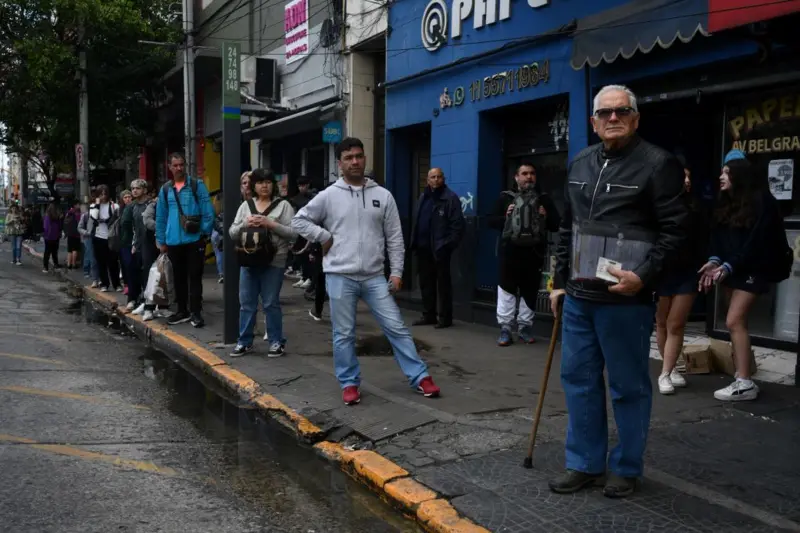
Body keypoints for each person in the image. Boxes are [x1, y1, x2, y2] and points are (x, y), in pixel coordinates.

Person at [549, 85, 687, 498]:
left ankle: (626, 467)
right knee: (578, 380)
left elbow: (677, 231)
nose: (613, 118)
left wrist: (643, 276)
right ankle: (585, 464)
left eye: (622, 111)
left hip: (625, 300)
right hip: (578, 298)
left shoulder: (658, 164)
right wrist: (556, 284)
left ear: (636, 118)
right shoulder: (580, 162)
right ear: (593, 122)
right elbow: (565, 229)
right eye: (605, 113)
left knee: (628, 386)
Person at [292, 137, 441, 405]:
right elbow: (298, 220)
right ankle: (349, 383)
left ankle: (420, 376)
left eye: (359, 156)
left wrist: (396, 273)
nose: (355, 162)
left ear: (365, 158)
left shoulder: (382, 196)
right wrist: (323, 235)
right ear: (340, 163)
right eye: (348, 158)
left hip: (374, 276)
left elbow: (395, 237)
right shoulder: (328, 196)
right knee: (343, 334)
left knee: (396, 327)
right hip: (340, 275)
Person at [699, 151, 791, 402]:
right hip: (733, 269)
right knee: (738, 324)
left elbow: (756, 243)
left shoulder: (763, 202)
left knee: (733, 321)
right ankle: (743, 374)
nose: (721, 176)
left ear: (739, 175)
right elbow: (717, 238)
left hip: (753, 268)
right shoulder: (725, 202)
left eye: (726, 172)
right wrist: (714, 261)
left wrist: (728, 265)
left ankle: (744, 381)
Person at [488, 162, 560, 345]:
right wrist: (506, 216)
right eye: (525, 173)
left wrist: (546, 215)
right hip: (510, 252)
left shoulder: (543, 198)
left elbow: (556, 224)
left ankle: (525, 328)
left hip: (534, 253)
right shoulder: (505, 198)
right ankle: (505, 329)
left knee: (530, 291)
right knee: (506, 290)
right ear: (516, 177)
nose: (529, 177)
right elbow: (490, 221)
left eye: (532, 173)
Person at [228, 168, 297, 357]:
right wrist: (246, 223)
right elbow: (232, 232)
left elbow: (293, 234)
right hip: (248, 260)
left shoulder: (284, 206)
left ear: (273, 184)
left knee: (270, 302)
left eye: (267, 182)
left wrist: (270, 224)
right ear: (254, 186)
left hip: (274, 260)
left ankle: (276, 341)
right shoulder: (245, 206)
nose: (264, 186)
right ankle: (244, 341)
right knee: (247, 303)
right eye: (260, 182)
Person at [655, 158, 707, 395]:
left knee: (676, 323)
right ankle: (671, 367)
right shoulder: (659, 207)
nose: (686, 181)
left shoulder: (696, 208)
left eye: (689, 177)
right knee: (662, 322)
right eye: (682, 177)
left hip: (689, 271)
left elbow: (703, 242)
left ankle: (665, 373)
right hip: (663, 271)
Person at [155, 152, 215, 328]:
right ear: (170, 167)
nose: (179, 168)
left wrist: (203, 233)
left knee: (195, 277)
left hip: (194, 240)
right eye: (175, 165)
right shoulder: (165, 189)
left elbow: (208, 211)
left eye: (182, 164)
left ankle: (196, 313)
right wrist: (161, 240)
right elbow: (161, 216)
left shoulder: (197, 186)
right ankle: (182, 310)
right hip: (173, 241)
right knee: (179, 278)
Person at [410, 168, 465, 329]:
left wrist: (447, 246)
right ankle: (429, 315)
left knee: (443, 286)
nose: (436, 180)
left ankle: (445, 318)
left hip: (440, 249)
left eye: (439, 177)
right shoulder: (423, 197)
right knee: (426, 284)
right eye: (433, 177)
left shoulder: (450, 198)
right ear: (427, 180)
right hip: (423, 248)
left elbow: (458, 226)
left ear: (443, 179)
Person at [88, 185, 122, 292]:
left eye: (105, 194)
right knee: (101, 262)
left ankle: (116, 284)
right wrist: (97, 204)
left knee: (113, 262)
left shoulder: (114, 206)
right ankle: (104, 284)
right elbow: (93, 217)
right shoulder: (94, 206)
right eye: (101, 194)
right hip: (99, 237)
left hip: (111, 237)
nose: (103, 196)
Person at [124, 179, 150, 311]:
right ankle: (132, 299)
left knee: (147, 274)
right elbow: (128, 225)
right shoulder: (132, 206)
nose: (134, 190)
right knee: (132, 272)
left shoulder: (151, 204)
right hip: (136, 244)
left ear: (144, 190)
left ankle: (147, 301)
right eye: (133, 188)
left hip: (150, 243)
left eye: (137, 188)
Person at [78, 201, 98, 283]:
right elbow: (79, 227)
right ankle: (89, 273)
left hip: (98, 237)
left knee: (94, 256)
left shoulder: (98, 215)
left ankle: (95, 275)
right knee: (90, 256)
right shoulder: (85, 216)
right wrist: (86, 232)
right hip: (88, 238)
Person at [42, 202, 63, 273]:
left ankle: (45, 267)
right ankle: (56, 265)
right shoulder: (57, 217)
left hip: (48, 236)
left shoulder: (47, 216)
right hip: (56, 236)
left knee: (47, 252)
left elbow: (45, 227)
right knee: (54, 252)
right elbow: (60, 226)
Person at [63, 200, 82, 270]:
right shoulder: (77, 213)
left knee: (69, 250)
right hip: (76, 234)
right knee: (75, 249)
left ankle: (68, 264)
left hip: (69, 234)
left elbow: (65, 222)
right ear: (75, 205)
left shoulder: (68, 212)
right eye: (78, 204)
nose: (79, 206)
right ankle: (73, 264)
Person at [211, 193, 225, 284]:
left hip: (215, 234)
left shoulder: (214, 209)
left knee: (218, 254)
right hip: (222, 233)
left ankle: (221, 274)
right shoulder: (227, 209)